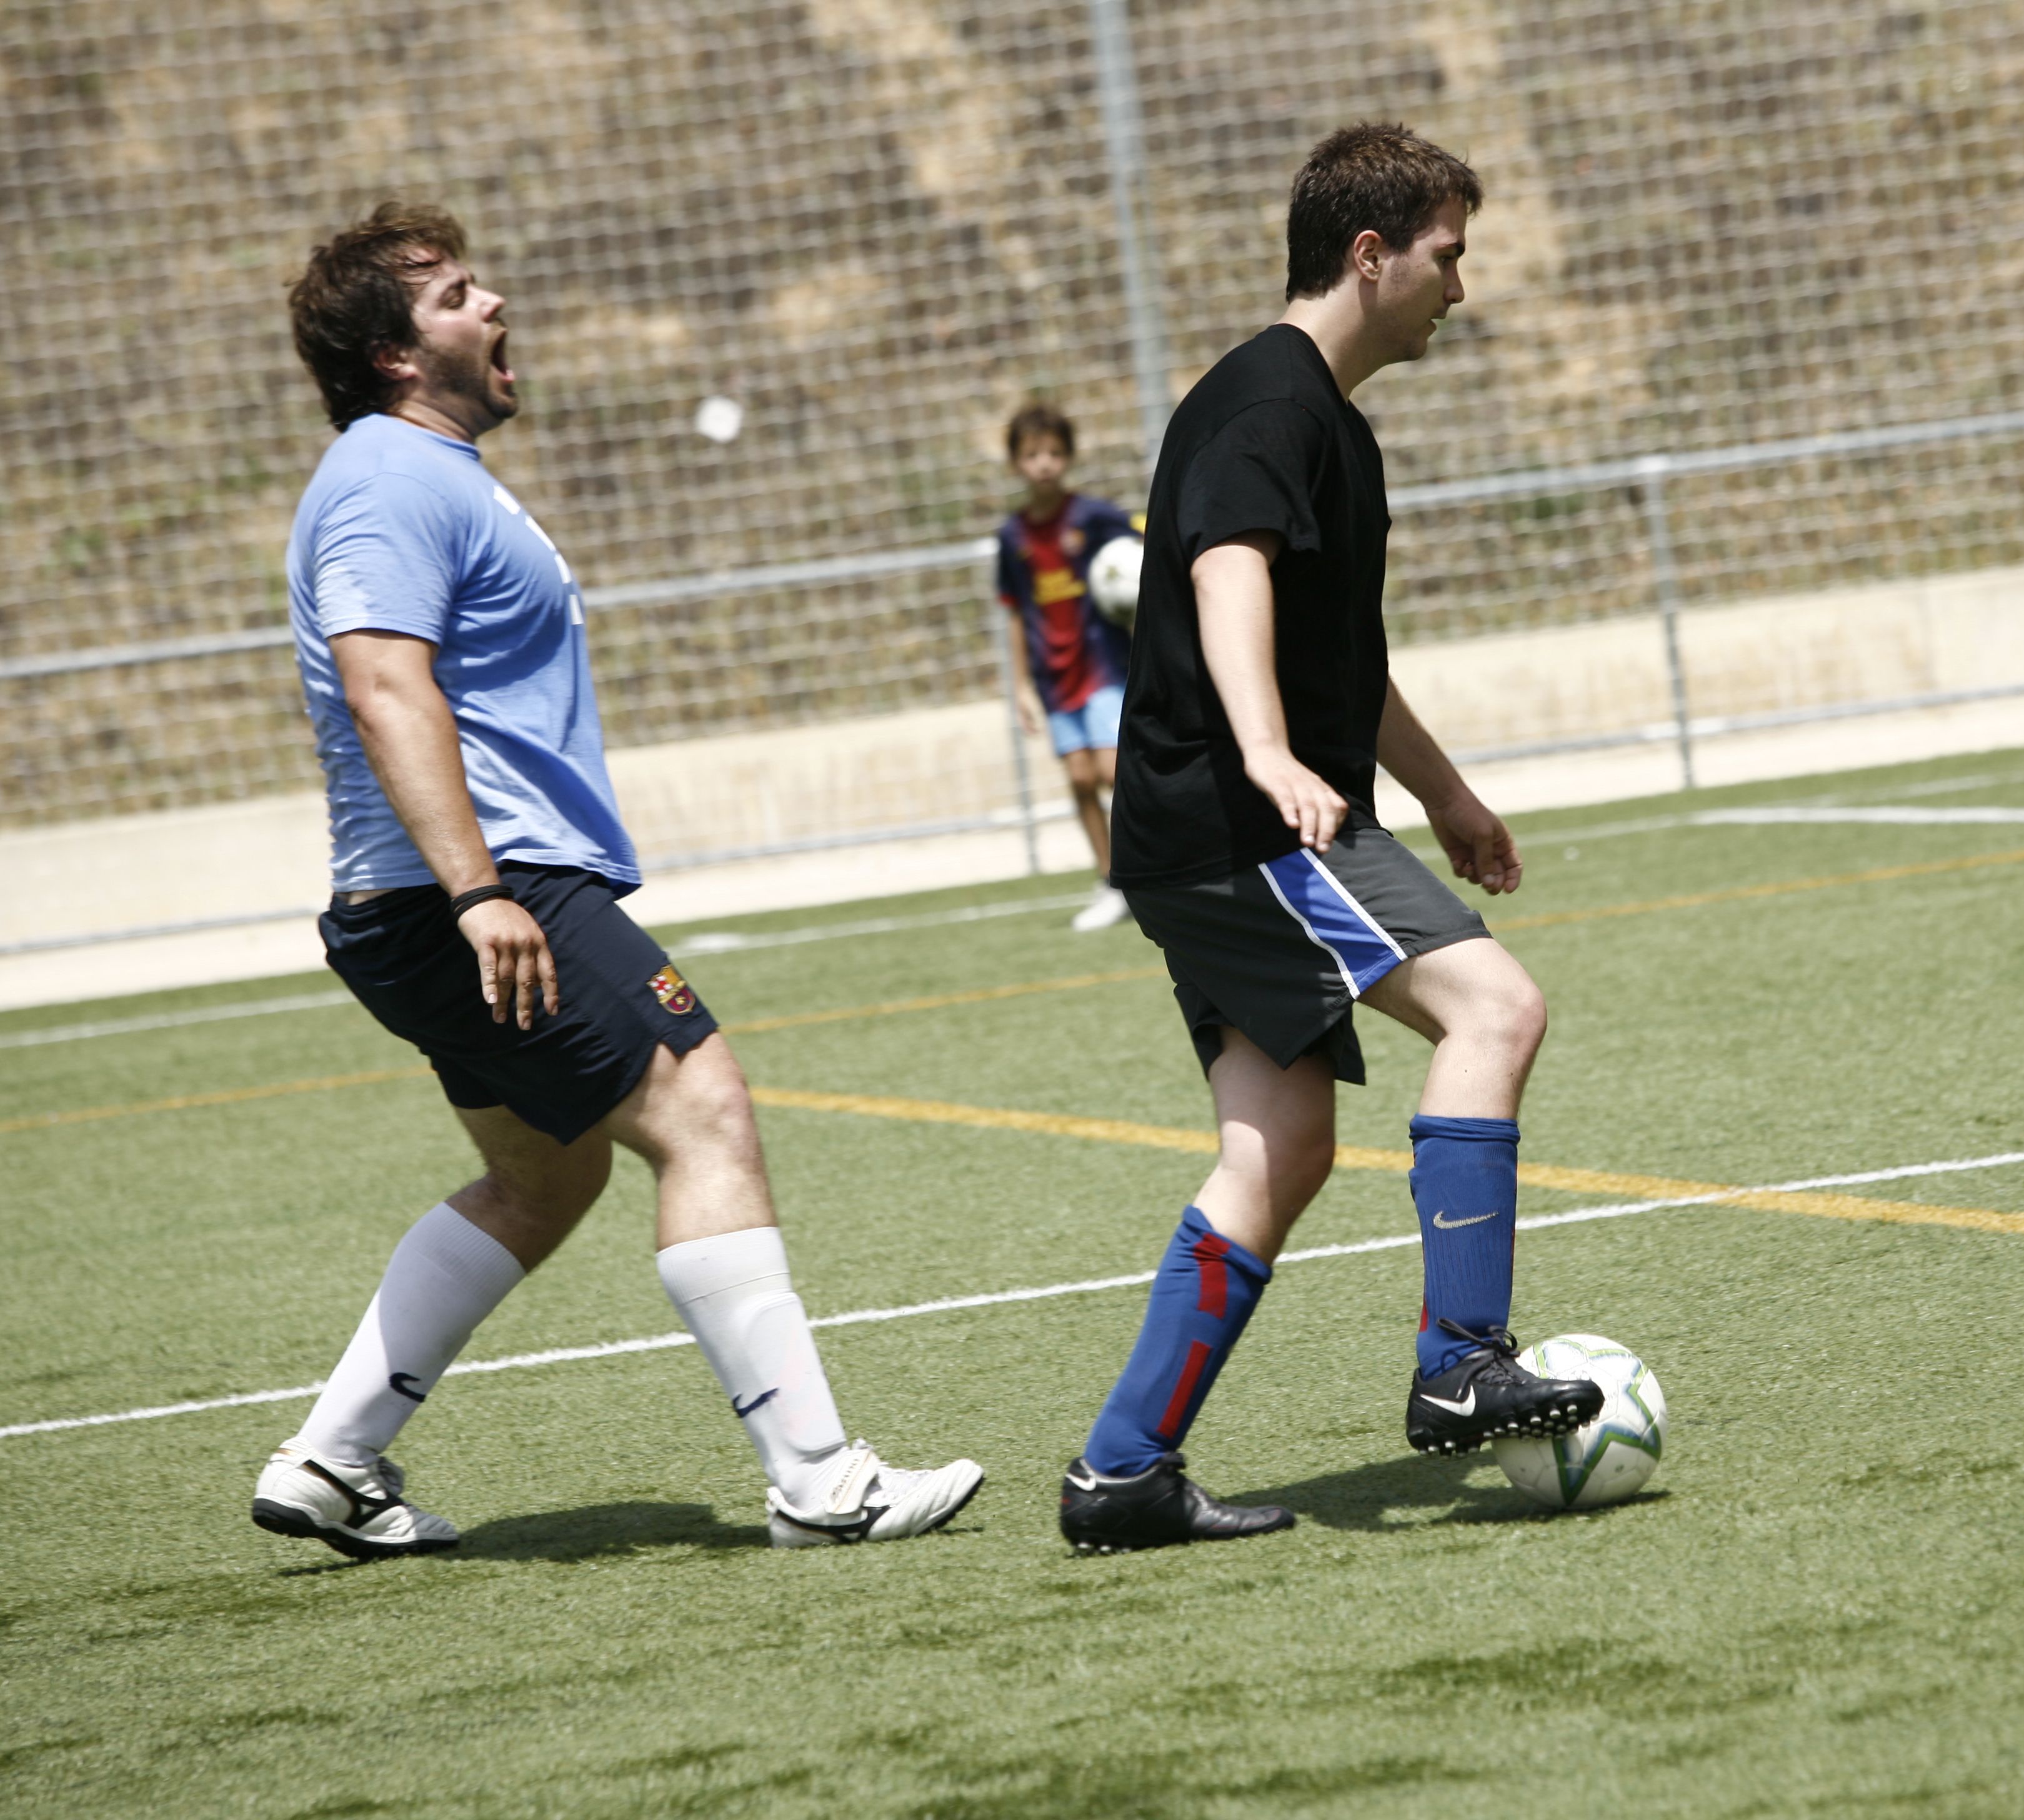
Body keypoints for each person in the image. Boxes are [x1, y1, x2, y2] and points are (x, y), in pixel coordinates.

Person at [256, 201, 981, 1561]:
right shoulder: (388, 477)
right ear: (395, 356)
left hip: (429, 897)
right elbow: (381, 682)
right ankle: (820, 1477)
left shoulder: (435, 471)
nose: (494, 303)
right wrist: (480, 889)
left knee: (545, 1178)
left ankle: (333, 1458)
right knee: (702, 1105)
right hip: (468, 888)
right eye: (458, 294)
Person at [1056, 126, 1604, 1554]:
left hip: (1204, 833)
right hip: (1244, 826)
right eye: (1448, 255)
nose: (1460, 288)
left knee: (1281, 1145)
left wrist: (1448, 794)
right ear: (1372, 255)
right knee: (1495, 1005)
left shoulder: (1324, 422)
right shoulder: (1270, 406)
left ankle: (1123, 1469)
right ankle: (1462, 1360)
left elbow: (1343, 660)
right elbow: (1226, 572)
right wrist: (1265, 754)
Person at [995, 404, 1139, 932]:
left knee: (1112, 770)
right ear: (1016, 464)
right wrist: (1020, 685)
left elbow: (1139, 556)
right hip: (1054, 678)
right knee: (1080, 780)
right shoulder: (1012, 537)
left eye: (1055, 453)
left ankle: (1148, 869)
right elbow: (1014, 609)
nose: (1045, 465)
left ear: (1070, 458)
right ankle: (1111, 883)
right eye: (1032, 455)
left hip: (1103, 664)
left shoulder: (1094, 518)